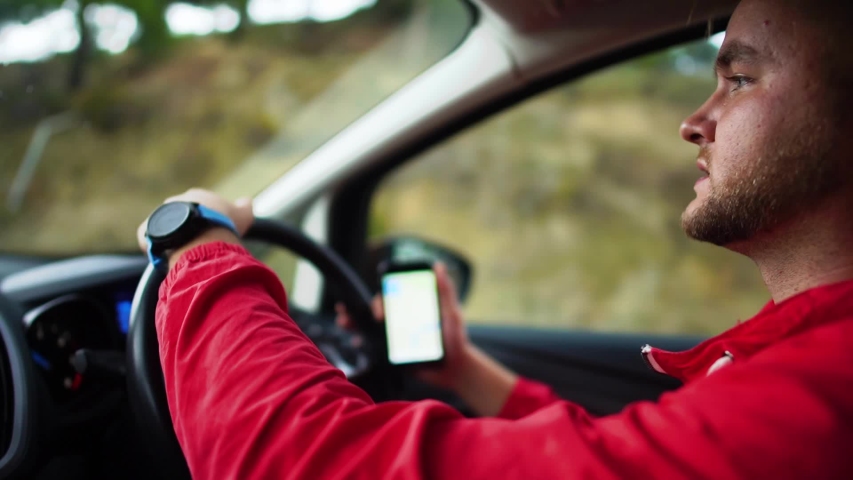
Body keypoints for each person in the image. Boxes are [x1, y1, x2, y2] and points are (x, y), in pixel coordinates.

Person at [137, 0, 853, 478]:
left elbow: (297, 464)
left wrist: (196, 245)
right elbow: (613, 455)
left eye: (739, 77)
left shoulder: (823, 391)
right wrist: (464, 372)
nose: (693, 121)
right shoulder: (793, 357)